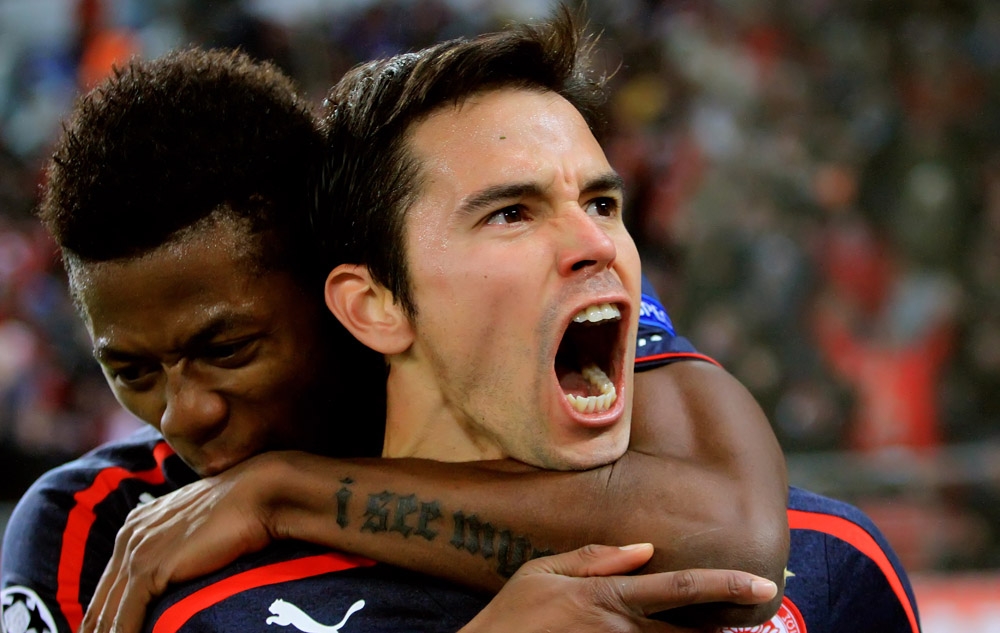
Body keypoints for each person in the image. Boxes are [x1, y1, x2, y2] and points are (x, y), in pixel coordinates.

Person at [94, 7, 918, 633]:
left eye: (602, 203)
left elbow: (729, 535)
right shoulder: (211, 609)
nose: (595, 243)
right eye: (511, 214)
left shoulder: (834, 563)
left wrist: (280, 488)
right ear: (373, 304)